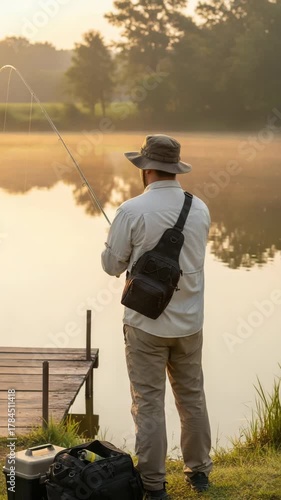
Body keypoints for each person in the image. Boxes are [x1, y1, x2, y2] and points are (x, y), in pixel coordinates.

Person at [101, 134, 213, 499]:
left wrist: (119, 247)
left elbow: (111, 265)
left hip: (144, 326)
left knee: (148, 402)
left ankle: (153, 485)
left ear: (146, 169)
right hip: (189, 323)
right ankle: (199, 474)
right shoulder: (200, 208)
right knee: (192, 397)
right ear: (174, 169)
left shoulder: (131, 210)